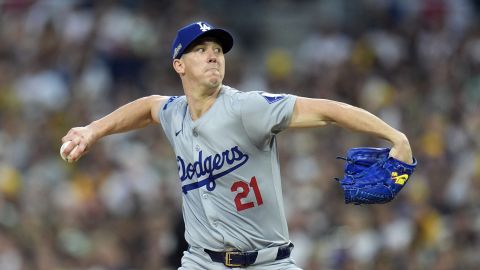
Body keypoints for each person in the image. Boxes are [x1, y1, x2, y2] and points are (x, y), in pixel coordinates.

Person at [61, 21, 414, 269]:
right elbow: (149, 106)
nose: (213, 55)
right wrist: (93, 130)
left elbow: (329, 111)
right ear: (178, 64)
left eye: (217, 49)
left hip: (269, 262)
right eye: (201, 50)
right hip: (200, 261)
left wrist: (395, 137)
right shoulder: (175, 113)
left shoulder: (247, 108)